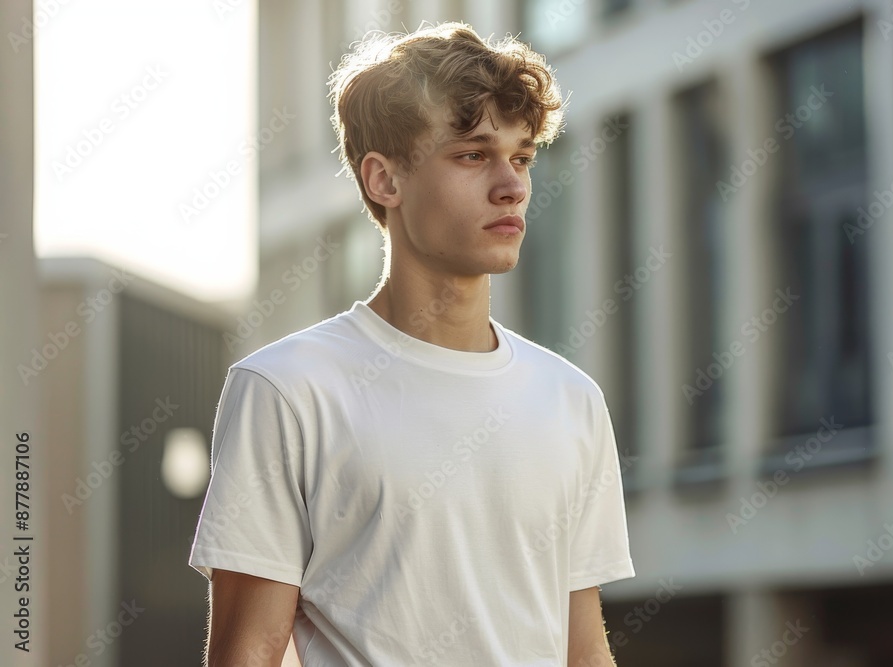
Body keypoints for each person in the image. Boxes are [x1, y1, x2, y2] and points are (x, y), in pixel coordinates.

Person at [189, 20, 634, 666]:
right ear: (384, 180)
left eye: (522, 156)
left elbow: (585, 651)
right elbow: (247, 654)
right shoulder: (286, 390)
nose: (512, 185)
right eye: (473, 154)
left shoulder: (572, 401)